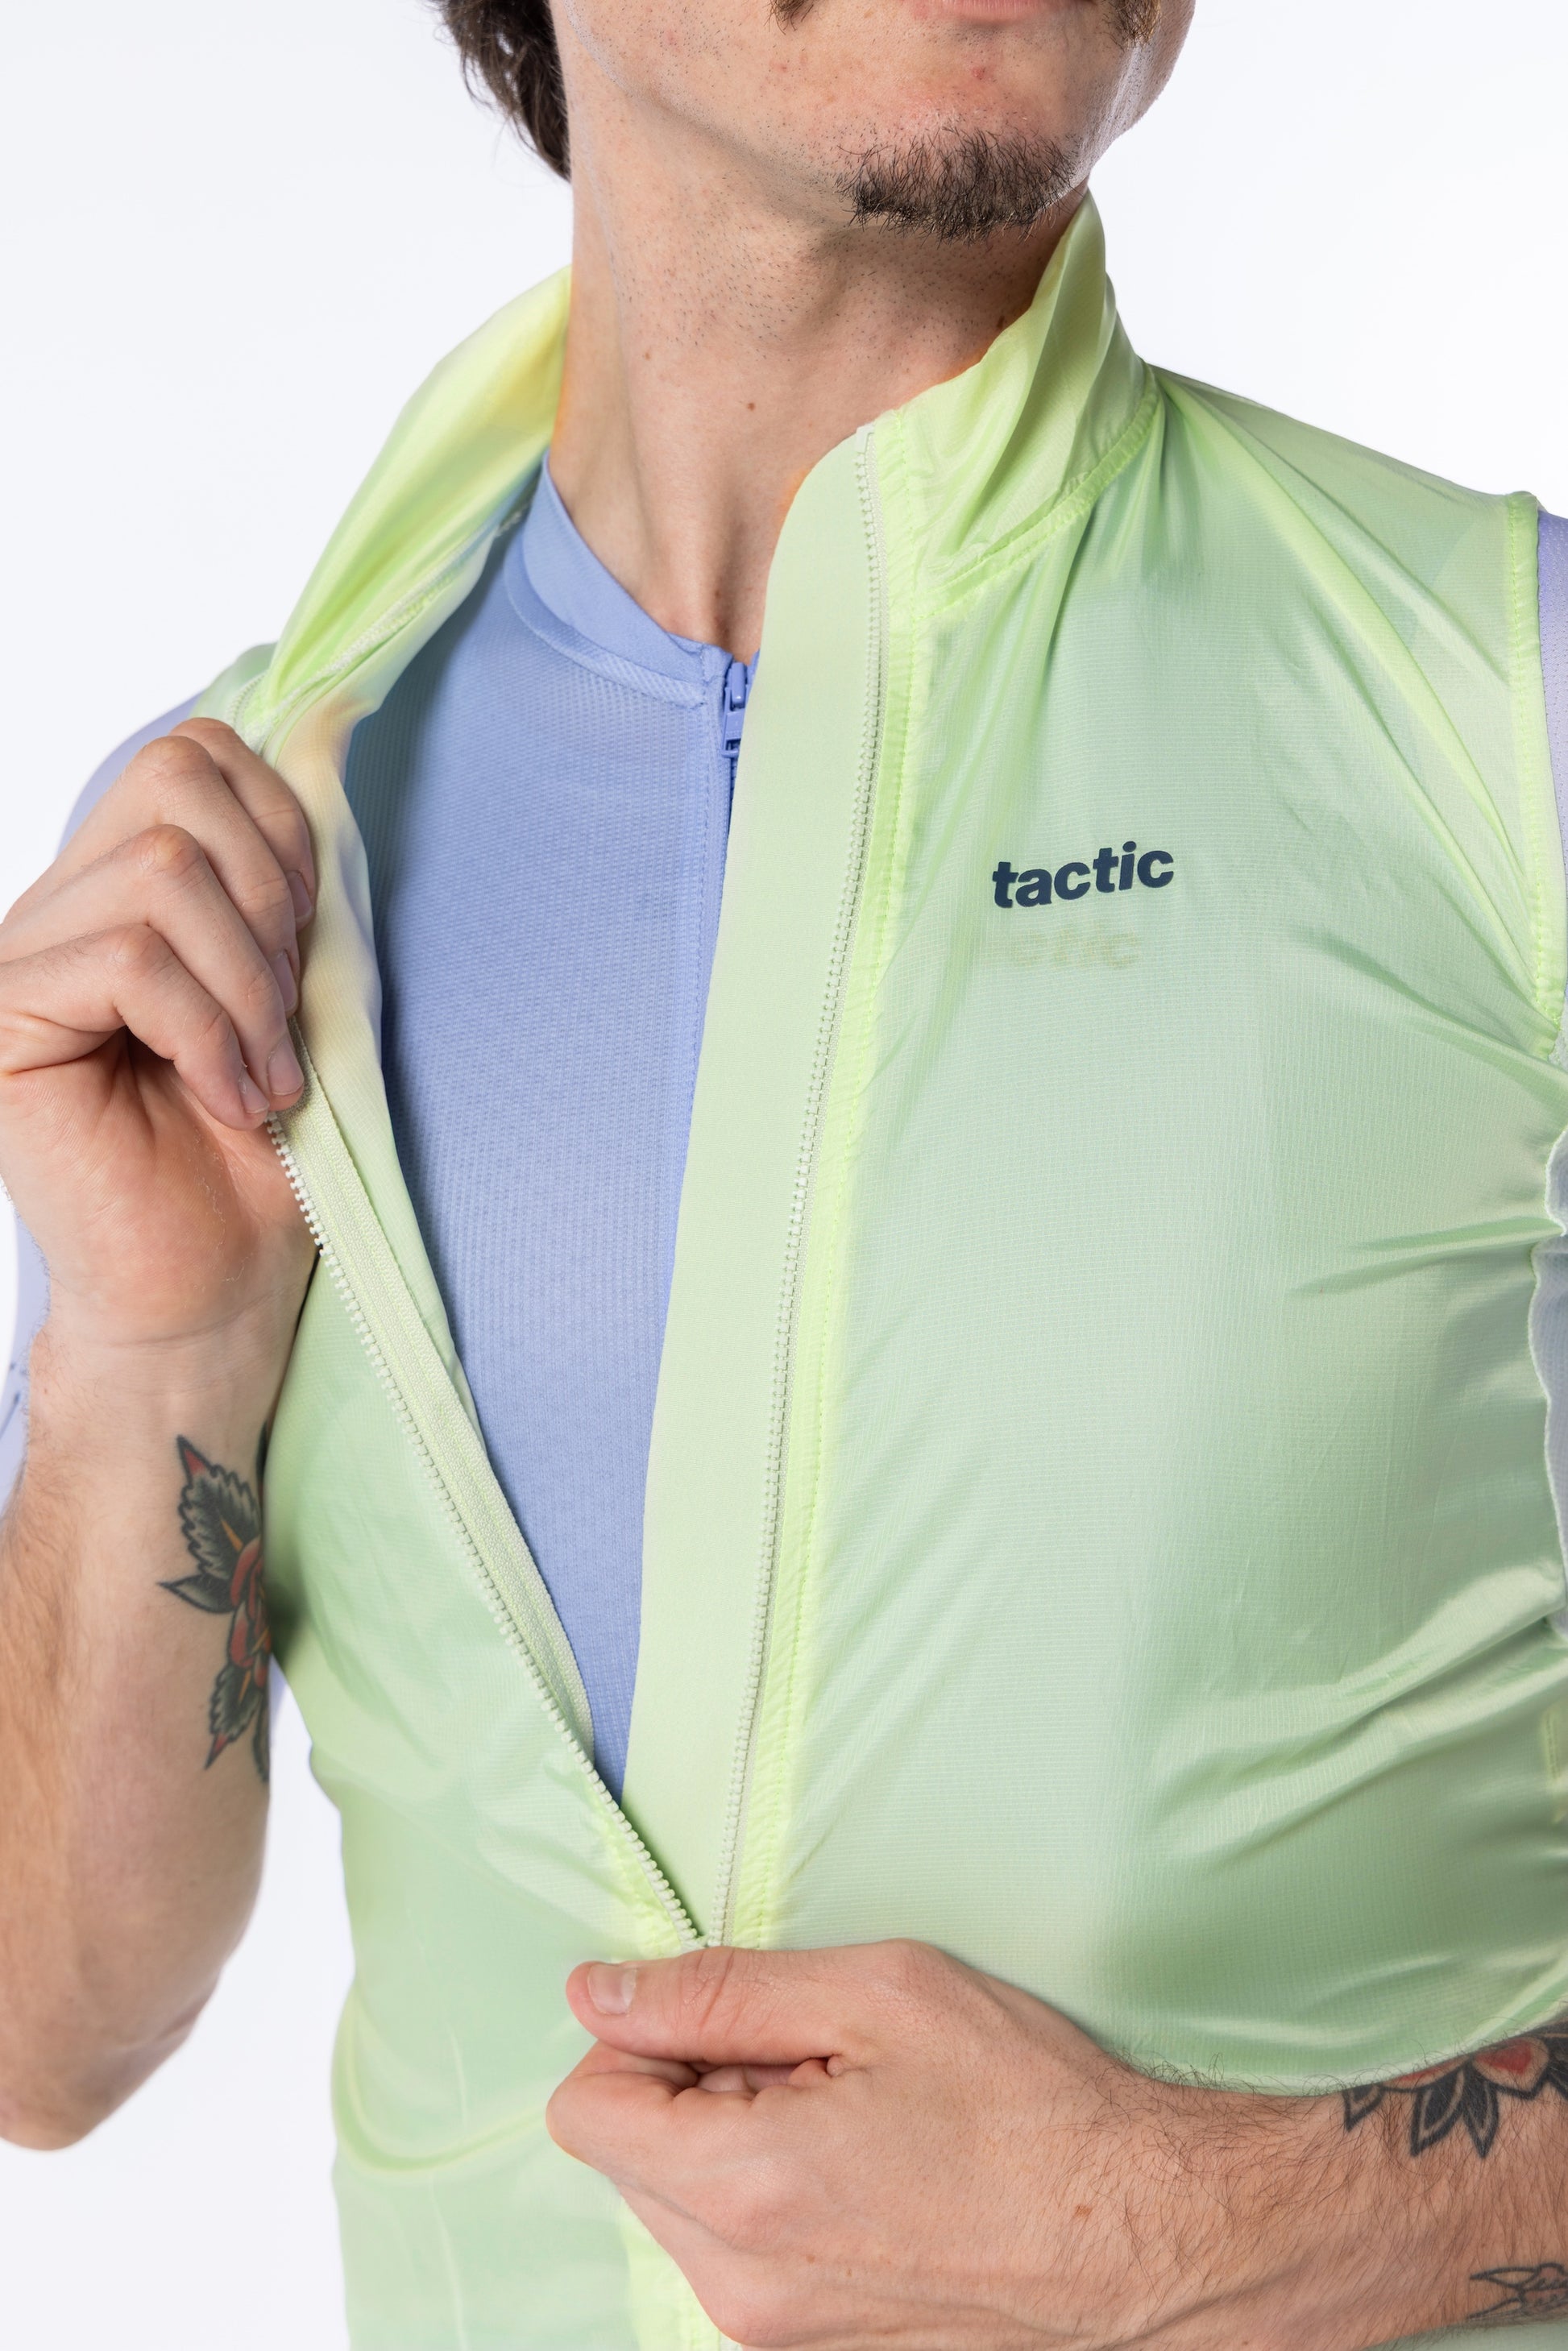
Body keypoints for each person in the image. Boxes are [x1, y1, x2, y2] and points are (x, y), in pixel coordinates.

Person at [4, 0, 1568, 2341]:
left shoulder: (1500, 713)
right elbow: (46, 2035)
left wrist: (1203, 2213)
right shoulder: (243, 847)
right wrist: (159, 1344)